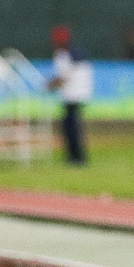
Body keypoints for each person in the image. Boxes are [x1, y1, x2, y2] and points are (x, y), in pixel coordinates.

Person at [47, 26, 92, 166]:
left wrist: (49, 85)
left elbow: (62, 78)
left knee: (71, 128)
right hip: (77, 95)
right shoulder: (74, 54)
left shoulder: (63, 56)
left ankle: (76, 157)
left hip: (72, 96)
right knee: (72, 127)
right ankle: (75, 156)